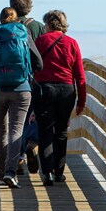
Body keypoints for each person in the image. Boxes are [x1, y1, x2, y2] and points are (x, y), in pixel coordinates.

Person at [0, 7, 43, 188]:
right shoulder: (24, 35)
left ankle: (0, 172)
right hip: (21, 89)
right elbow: (39, 63)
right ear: (16, 19)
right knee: (16, 130)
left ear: (0, 19)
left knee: (0, 130)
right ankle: (11, 172)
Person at [33, 10, 87, 185]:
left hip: (45, 90)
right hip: (66, 90)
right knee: (61, 131)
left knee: (45, 131)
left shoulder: (40, 41)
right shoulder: (72, 43)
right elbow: (80, 75)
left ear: (48, 24)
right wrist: (81, 101)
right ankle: (58, 172)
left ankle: (46, 172)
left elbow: (32, 67)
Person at [10, 0, 45, 173]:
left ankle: (18, 158)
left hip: (10, 82)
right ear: (29, 7)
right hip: (33, 81)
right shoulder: (39, 27)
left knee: (16, 122)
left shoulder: (7, 27)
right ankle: (32, 144)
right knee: (33, 117)